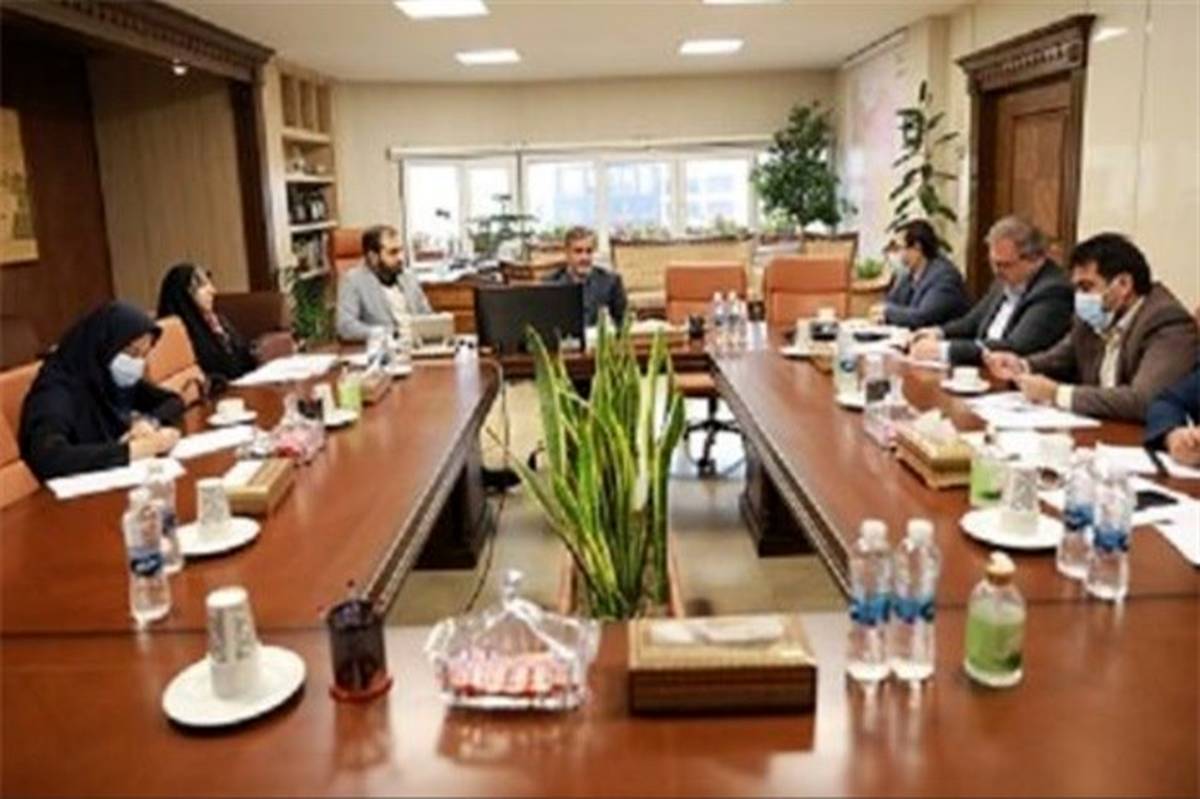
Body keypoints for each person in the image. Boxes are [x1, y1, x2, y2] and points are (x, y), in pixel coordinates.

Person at [984, 233, 1197, 421]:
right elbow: (1062, 357)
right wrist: (1022, 365)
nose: (1081, 297)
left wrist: (1058, 394)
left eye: (1087, 287)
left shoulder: (1167, 323)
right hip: (1101, 429)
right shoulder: (1094, 317)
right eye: (1077, 288)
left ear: (1124, 284)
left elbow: (1143, 400)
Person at [18, 301, 183, 481]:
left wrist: (148, 422)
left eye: (144, 355)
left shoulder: (105, 376)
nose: (137, 364)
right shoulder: (55, 390)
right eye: (132, 353)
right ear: (103, 346)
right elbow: (49, 457)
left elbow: (172, 401)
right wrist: (136, 449)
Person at [908, 215, 1072, 366]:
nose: (996, 272)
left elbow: (1016, 347)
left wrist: (945, 350)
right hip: (983, 368)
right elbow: (972, 322)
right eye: (993, 263)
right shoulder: (1004, 279)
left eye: (1004, 265)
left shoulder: (1053, 291)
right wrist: (938, 333)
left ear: (1035, 259)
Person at [156, 263, 258, 382]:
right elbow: (220, 369)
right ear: (184, 294)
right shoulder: (176, 334)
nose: (213, 291)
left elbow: (243, 359)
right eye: (203, 286)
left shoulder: (216, 320)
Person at [336, 225, 433, 341]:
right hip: (384, 347)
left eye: (401, 251)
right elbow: (345, 327)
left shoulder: (408, 277)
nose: (400, 258)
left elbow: (427, 315)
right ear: (373, 257)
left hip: (417, 344)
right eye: (393, 252)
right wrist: (385, 334)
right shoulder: (354, 280)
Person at [873, 219, 969, 328]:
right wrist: (880, 312)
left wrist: (887, 312)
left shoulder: (945, 277)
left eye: (899, 248)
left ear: (917, 247)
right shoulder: (909, 275)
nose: (897, 254)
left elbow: (922, 317)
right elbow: (890, 302)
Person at [544, 226, 627, 326]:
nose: (584, 257)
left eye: (589, 251)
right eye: (578, 251)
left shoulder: (611, 282)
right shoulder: (550, 284)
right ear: (567, 252)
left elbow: (623, 324)